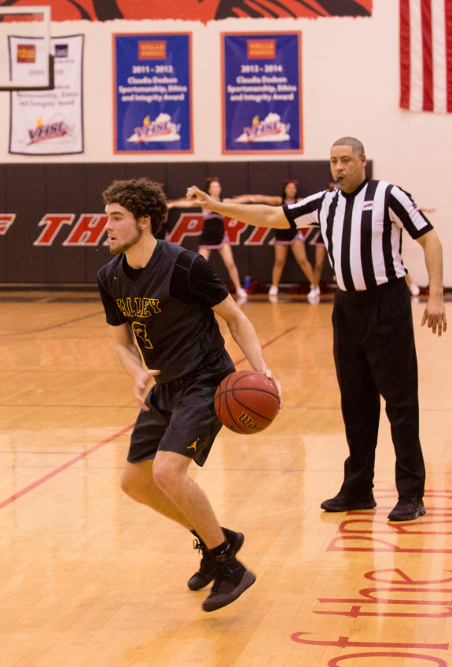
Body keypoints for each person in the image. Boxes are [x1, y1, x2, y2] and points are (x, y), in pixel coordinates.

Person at [185, 136, 446, 522]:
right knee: (355, 403)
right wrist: (214, 205)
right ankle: (358, 488)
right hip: (346, 308)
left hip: (386, 306)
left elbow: (430, 239)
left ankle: (410, 493)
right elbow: (273, 217)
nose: (338, 167)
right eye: (332, 161)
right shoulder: (325, 203)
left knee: (400, 402)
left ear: (361, 161)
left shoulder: (389, 195)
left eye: (345, 160)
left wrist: (437, 295)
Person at [98, 177, 281, 612]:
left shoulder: (185, 266)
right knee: (135, 483)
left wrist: (262, 371)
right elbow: (121, 342)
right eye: (106, 217)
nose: (106, 226)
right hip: (163, 386)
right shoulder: (110, 276)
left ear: (144, 222)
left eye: (116, 218)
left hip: (205, 381)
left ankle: (228, 565)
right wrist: (136, 373)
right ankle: (218, 538)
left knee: (166, 472)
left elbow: (235, 319)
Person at [233, 180, 319, 300]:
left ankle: (314, 287)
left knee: (303, 260)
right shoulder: (279, 201)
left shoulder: (299, 201)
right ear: (285, 190)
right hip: (281, 235)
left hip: (294, 234)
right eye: (289, 188)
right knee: (279, 261)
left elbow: (315, 202)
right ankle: (274, 287)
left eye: (293, 188)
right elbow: (260, 198)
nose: (291, 190)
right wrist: (245, 198)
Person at [168, 178, 248, 300]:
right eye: (214, 187)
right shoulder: (203, 201)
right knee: (198, 265)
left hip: (221, 237)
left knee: (231, 263)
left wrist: (252, 198)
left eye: (219, 186)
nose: (217, 189)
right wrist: (172, 203)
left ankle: (239, 288)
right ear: (209, 190)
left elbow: (242, 200)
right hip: (207, 238)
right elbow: (186, 202)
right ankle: (191, 289)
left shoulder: (224, 201)